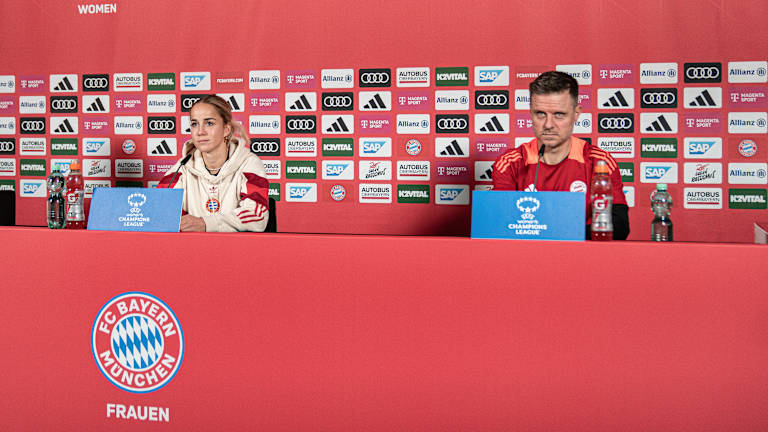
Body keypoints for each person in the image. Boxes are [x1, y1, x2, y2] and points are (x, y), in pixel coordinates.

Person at [492, 71, 630, 239]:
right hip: (527, 253)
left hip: (583, 253)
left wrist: (556, 233)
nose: (548, 125)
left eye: (559, 114)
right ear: (531, 114)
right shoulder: (510, 163)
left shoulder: (599, 162)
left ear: (576, 114)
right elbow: (498, 225)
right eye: (540, 114)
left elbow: (619, 227)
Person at [159, 95, 269, 232]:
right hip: (193, 245)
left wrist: (206, 224)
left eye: (209, 123)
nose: (200, 132)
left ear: (226, 129)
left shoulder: (248, 163)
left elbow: (257, 216)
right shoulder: (182, 168)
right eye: (194, 124)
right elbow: (160, 214)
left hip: (238, 245)